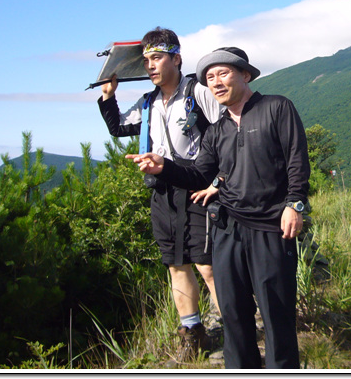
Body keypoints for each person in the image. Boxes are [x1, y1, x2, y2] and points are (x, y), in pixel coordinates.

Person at [127, 47, 310, 369]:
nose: (215, 82)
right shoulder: (217, 130)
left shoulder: (276, 108)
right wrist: (163, 167)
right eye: (209, 78)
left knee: (275, 312)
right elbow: (199, 174)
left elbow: (296, 158)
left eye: (222, 73)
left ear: (245, 75)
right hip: (227, 228)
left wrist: (294, 204)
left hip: (271, 226)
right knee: (233, 312)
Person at [97, 27, 223, 360]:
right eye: (147, 60)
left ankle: (235, 325)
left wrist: (220, 180)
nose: (150, 65)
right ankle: (193, 331)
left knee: (207, 264)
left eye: (157, 58)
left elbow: (227, 132)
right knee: (176, 264)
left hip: (199, 188)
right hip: (163, 192)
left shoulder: (198, 92)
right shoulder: (148, 102)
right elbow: (119, 127)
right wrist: (109, 95)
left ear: (176, 59)